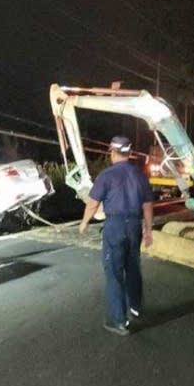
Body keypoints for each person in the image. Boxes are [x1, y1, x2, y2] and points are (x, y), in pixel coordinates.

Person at [79, 136, 154, 336]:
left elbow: (93, 203)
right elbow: (147, 206)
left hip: (115, 226)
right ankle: (136, 307)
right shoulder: (140, 175)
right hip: (134, 226)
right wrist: (148, 231)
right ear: (129, 153)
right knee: (133, 268)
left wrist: (84, 223)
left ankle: (117, 320)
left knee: (114, 272)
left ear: (112, 152)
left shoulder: (107, 175)